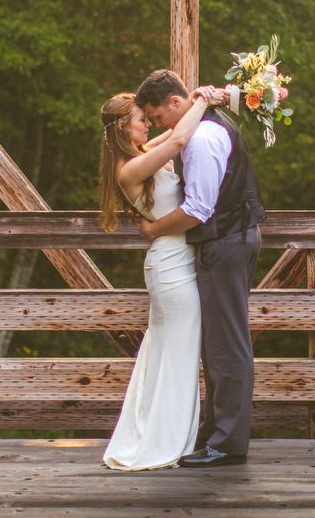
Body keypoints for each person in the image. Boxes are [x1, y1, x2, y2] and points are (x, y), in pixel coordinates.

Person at [135, 70, 266, 468]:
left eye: (157, 116)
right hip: (230, 238)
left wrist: (154, 229)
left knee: (227, 344)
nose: (157, 125)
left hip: (224, 242)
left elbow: (197, 210)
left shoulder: (202, 139)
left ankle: (227, 444)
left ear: (176, 103)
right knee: (220, 344)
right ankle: (217, 433)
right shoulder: (202, 125)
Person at [98, 86, 218, 471]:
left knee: (174, 354)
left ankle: (164, 436)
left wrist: (199, 97)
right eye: (140, 120)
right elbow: (181, 136)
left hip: (175, 261)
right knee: (177, 355)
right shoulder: (130, 169)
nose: (148, 124)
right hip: (171, 267)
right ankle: (164, 441)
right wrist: (205, 99)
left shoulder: (142, 157)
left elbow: (174, 131)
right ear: (123, 128)